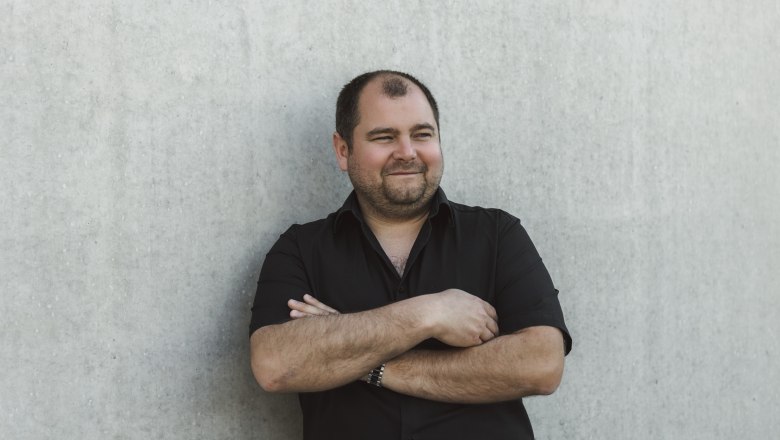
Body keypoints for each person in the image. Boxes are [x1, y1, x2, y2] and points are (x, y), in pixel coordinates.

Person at [249, 70, 572, 440]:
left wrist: (364, 362)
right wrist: (428, 313)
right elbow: (275, 365)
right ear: (343, 150)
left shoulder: (498, 235)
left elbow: (541, 365)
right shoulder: (300, 249)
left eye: (422, 134)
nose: (406, 152)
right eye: (384, 137)